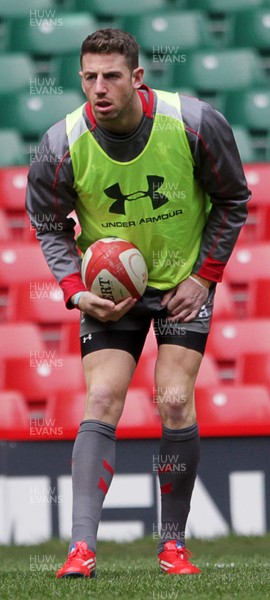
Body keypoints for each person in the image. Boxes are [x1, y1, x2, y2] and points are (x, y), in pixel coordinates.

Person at [26, 28, 250, 578]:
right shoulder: (61, 144)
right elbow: (48, 223)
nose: (99, 88)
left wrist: (204, 276)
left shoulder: (194, 123)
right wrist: (76, 291)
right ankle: (81, 551)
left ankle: (172, 545)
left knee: (174, 400)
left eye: (111, 76)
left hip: (181, 284)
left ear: (138, 78)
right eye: (89, 77)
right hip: (109, 294)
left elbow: (233, 198)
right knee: (101, 397)